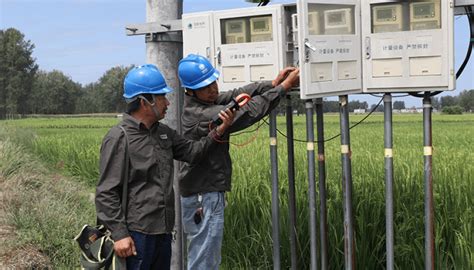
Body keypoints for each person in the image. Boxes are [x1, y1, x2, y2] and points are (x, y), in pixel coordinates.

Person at [95, 64, 235, 270]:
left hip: (163, 231)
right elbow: (106, 192)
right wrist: (120, 234)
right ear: (145, 101)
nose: (167, 102)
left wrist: (219, 131)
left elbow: (193, 152)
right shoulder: (120, 137)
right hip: (136, 234)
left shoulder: (164, 133)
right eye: (162, 97)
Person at [177, 54, 300, 269]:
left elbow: (235, 95)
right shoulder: (202, 114)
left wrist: (271, 84)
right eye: (206, 87)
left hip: (199, 193)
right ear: (190, 90)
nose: (213, 89)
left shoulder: (202, 102)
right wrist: (283, 88)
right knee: (205, 257)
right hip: (205, 196)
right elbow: (248, 111)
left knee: (202, 252)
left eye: (213, 82)